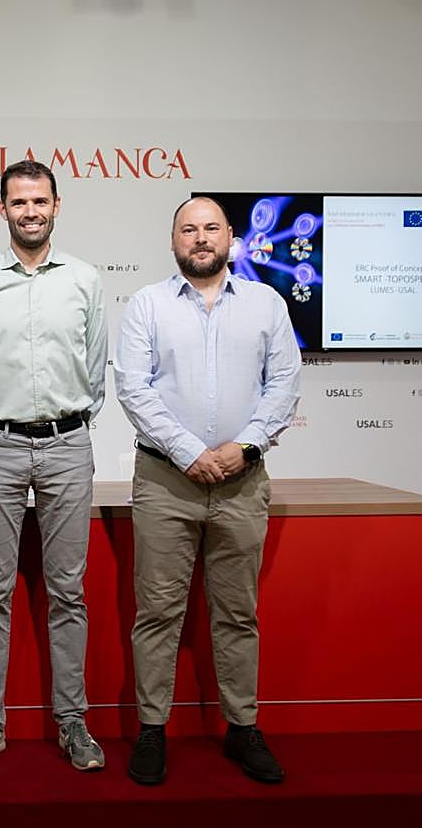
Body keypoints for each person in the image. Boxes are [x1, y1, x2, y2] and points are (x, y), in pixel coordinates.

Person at [113, 196, 300, 785]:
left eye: (211, 228)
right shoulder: (146, 305)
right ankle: (151, 731)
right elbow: (133, 389)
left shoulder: (267, 304)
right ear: (173, 242)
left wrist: (244, 446)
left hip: (243, 484)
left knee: (237, 615)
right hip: (167, 482)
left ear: (230, 239)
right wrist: (189, 452)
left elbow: (285, 383)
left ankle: (243, 729)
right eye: (188, 229)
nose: (200, 238)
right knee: (158, 614)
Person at [0, 159, 108, 773]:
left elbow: (95, 372)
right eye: (19, 202)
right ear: (2, 209)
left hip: (69, 445)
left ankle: (73, 722)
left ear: (56, 206)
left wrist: (65, 424)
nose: (30, 211)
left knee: (68, 590)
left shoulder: (87, 281)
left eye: (40, 201)